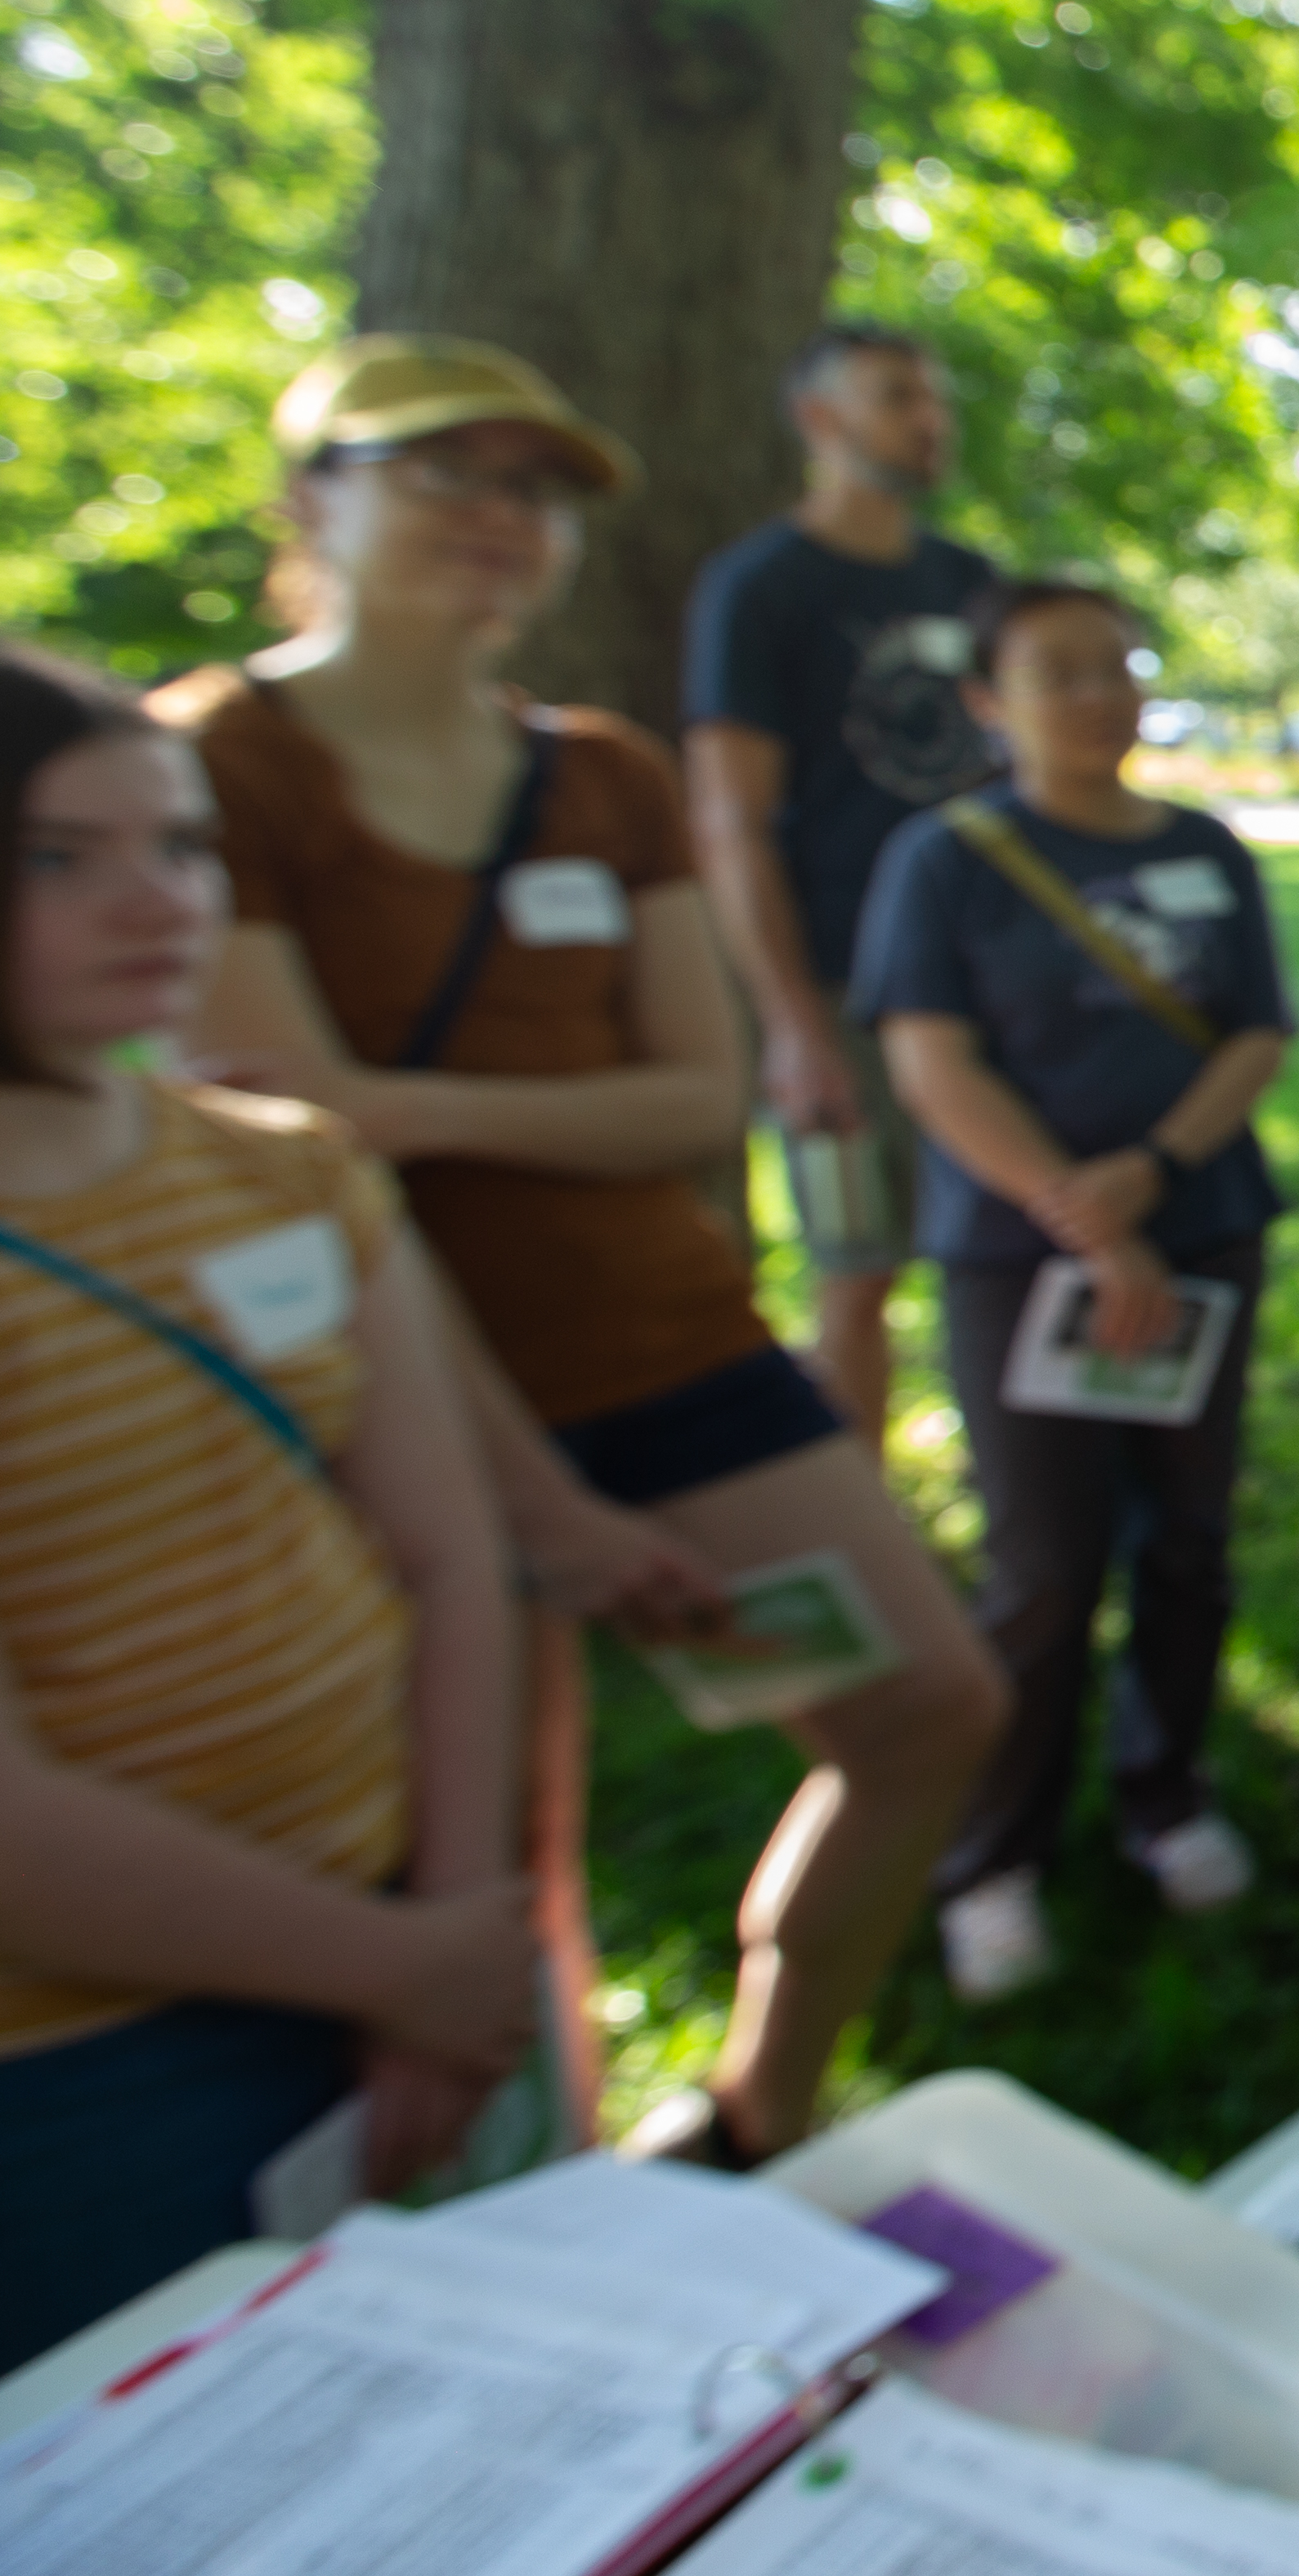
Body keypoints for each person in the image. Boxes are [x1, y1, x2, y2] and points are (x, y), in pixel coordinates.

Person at [163, 338, 1002, 2170]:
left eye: (533, 490)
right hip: (367, 1395)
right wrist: (381, 1122)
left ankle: (752, 2129)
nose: (501, 519)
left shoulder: (602, 777)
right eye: (444, 472)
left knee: (932, 1702)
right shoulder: (214, 764)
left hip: (659, 1334)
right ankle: (513, 2203)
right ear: (314, 499)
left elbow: (692, 1100)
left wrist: (399, 1103)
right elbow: (285, 1151)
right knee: (504, 1840)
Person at [0, 643, 531, 2366]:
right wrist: (393, 1968)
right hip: (99, 2060)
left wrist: (455, 1922)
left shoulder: (287, 1162)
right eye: (56, 857)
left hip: (409, 1941)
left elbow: (453, 1559)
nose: (155, 899)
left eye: (181, 846)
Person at [848, 580, 1290, 2005]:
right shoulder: (947, 860)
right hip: (1018, 1262)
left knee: (1190, 1539)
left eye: (1118, 667)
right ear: (990, 702)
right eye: (1058, 673)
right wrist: (1086, 1224)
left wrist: (1155, 1174)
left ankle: (1164, 1794)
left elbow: (1254, 1037)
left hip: (1205, 1230)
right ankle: (996, 1856)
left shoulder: (1210, 849)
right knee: (1045, 1567)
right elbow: (933, 1063)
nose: (1099, 695)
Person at [684, 323, 1004, 1467]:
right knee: (858, 1271)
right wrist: (791, 1027)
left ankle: (1023, 1490)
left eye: (933, 396)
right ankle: (867, 1539)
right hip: (841, 988)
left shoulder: (970, 585)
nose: (930, 420)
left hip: (992, 988)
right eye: (895, 396)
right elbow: (729, 818)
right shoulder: (762, 588)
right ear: (821, 420)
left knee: (1013, 1245)